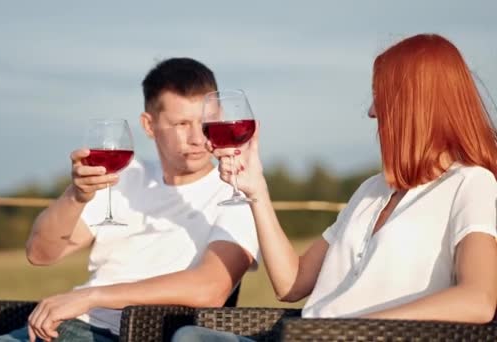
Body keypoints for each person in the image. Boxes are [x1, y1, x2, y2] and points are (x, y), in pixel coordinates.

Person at [173, 33, 497, 341]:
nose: (371, 111)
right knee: (190, 336)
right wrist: (256, 191)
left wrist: (349, 330)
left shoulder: (470, 184)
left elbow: (478, 299)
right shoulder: (372, 191)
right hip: (308, 336)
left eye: (380, 95)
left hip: (343, 337)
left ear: (416, 104)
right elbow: (292, 283)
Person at [0, 57, 259, 342]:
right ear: (148, 125)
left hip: (132, 332)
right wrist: (77, 196)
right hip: (65, 329)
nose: (198, 137)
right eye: (181, 124)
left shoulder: (236, 190)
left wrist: (92, 296)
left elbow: (210, 289)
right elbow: (41, 254)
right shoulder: (125, 175)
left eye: (205, 121)